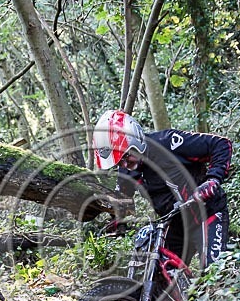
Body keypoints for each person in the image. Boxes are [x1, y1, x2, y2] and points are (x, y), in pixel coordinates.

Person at [92, 109, 232, 268]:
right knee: (162, 273)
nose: (124, 165)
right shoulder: (126, 170)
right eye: (119, 163)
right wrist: (117, 219)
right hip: (175, 223)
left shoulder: (168, 142)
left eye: (126, 156)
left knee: (212, 271)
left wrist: (213, 179)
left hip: (207, 213)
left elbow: (220, 144)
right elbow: (123, 199)